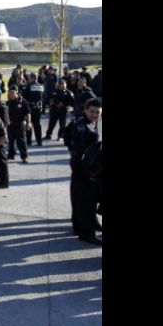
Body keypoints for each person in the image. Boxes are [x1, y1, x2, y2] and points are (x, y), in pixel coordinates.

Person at [63, 99, 102, 245]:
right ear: (85, 110)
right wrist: (90, 173)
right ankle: (86, 233)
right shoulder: (80, 126)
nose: (94, 114)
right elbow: (80, 150)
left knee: (81, 197)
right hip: (83, 168)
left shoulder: (90, 122)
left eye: (97, 112)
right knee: (85, 200)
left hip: (88, 166)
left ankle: (89, 223)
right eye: (91, 111)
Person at [5, 86, 31, 163]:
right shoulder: (8, 102)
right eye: (9, 92)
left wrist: (28, 123)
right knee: (11, 141)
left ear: (17, 92)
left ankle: (24, 156)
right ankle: (11, 155)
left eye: (12, 92)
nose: (10, 94)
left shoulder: (23, 101)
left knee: (21, 141)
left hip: (20, 124)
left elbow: (28, 113)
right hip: (10, 124)